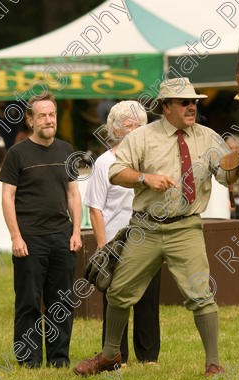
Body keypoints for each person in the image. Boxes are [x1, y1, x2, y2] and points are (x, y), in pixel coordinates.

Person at [73, 78, 239, 378]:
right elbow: (115, 172)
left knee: (201, 294)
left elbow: (226, 177)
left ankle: (212, 363)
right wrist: (144, 179)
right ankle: (110, 356)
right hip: (145, 228)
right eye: (184, 102)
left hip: (186, 227)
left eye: (195, 102)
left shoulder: (208, 137)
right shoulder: (142, 137)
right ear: (165, 107)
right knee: (119, 291)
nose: (192, 106)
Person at [0, 92, 82, 369]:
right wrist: (16, 237)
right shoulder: (17, 153)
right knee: (29, 303)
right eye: (43, 115)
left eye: (52, 115)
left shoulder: (66, 150)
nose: (48, 120)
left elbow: (73, 194)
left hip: (62, 237)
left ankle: (59, 359)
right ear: (30, 120)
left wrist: (76, 232)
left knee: (62, 303)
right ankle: (29, 360)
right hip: (30, 240)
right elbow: (7, 197)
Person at [84, 101, 161, 366]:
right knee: (115, 301)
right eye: (129, 125)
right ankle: (118, 357)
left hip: (149, 239)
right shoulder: (105, 163)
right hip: (117, 245)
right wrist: (103, 247)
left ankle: (149, 357)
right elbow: (95, 209)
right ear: (115, 128)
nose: (135, 129)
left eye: (139, 124)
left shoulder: (151, 161)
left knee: (148, 301)